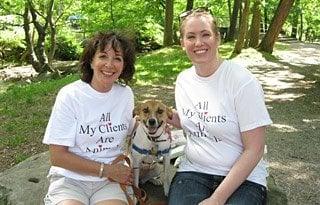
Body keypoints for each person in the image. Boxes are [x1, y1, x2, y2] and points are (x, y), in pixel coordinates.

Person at [167, 8, 272, 205]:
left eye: (205, 34)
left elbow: (255, 149)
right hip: (195, 170)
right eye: (190, 37)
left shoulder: (242, 81)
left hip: (245, 178)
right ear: (182, 43)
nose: (198, 43)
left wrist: (217, 199)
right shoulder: (183, 80)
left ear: (217, 38)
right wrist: (170, 117)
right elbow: (198, 121)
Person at [43, 31, 136, 205]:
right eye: (103, 56)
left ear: (124, 65)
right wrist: (107, 170)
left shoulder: (125, 94)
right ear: (91, 61)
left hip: (109, 184)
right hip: (70, 180)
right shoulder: (70, 95)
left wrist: (158, 126)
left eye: (117, 58)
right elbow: (57, 156)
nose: (109, 64)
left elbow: (132, 129)